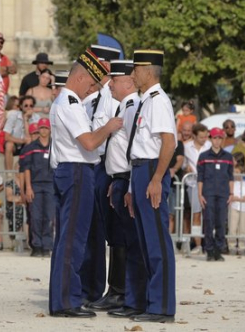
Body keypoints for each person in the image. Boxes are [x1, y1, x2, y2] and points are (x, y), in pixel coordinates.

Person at [48, 48, 122, 318]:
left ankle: (61, 298)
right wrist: (110, 127)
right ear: (80, 78)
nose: (91, 89)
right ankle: (67, 301)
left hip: (70, 171)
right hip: (77, 172)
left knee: (66, 240)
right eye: (90, 84)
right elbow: (89, 142)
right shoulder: (70, 103)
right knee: (73, 241)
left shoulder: (63, 102)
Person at [126, 49, 176, 323]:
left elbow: (169, 143)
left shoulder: (158, 101)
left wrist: (156, 178)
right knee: (146, 241)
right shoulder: (146, 101)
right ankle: (152, 302)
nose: (133, 74)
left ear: (148, 71)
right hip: (141, 170)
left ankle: (162, 306)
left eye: (135, 69)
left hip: (151, 169)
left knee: (157, 240)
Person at [102, 59, 147, 319]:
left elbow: (133, 151)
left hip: (127, 178)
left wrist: (127, 185)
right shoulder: (125, 106)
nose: (110, 84)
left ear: (129, 82)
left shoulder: (131, 108)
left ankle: (133, 298)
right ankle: (124, 295)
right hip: (119, 179)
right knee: (121, 240)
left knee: (131, 242)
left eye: (115, 80)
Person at [79, 44, 119, 308]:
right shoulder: (94, 98)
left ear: (104, 66)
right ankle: (91, 289)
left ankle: (115, 290)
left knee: (112, 233)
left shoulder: (113, 96)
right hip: (92, 165)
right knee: (92, 231)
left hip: (105, 165)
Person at [197, 127, 234, 262]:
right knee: (208, 222)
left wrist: (231, 193)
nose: (217, 141)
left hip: (223, 193)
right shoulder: (203, 156)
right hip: (208, 193)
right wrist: (199, 194)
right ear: (210, 139)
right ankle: (209, 251)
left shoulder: (228, 157)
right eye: (214, 138)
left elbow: (231, 176)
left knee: (221, 222)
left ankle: (218, 250)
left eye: (219, 138)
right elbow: (200, 177)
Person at [20, 118, 55, 257]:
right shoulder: (31, 148)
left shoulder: (55, 146)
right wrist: (28, 187)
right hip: (35, 185)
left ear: (50, 129)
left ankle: (46, 245)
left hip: (50, 185)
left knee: (48, 216)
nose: (44, 131)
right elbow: (26, 168)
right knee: (35, 217)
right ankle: (36, 246)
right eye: (41, 128)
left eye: (46, 128)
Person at [184, 123, 211, 254]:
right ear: (194, 136)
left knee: (209, 214)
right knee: (196, 214)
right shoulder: (186, 147)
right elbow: (183, 164)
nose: (204, 139)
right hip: (193, 184)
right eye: (201, 137)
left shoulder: (210, 145)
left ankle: (209, 244)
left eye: (205, 136)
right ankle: (198, 245)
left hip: (209, 184)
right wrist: (186, 169)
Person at [228, 153, 245, 255]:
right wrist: (233, 197)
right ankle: (232, 246)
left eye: (238, 172)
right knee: (232, 227)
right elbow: (229, 194)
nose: (237, 174)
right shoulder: (231, 183)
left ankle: (242, 246)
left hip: (244, 208)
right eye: (235, 172)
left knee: (242, 228)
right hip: (233, 206)